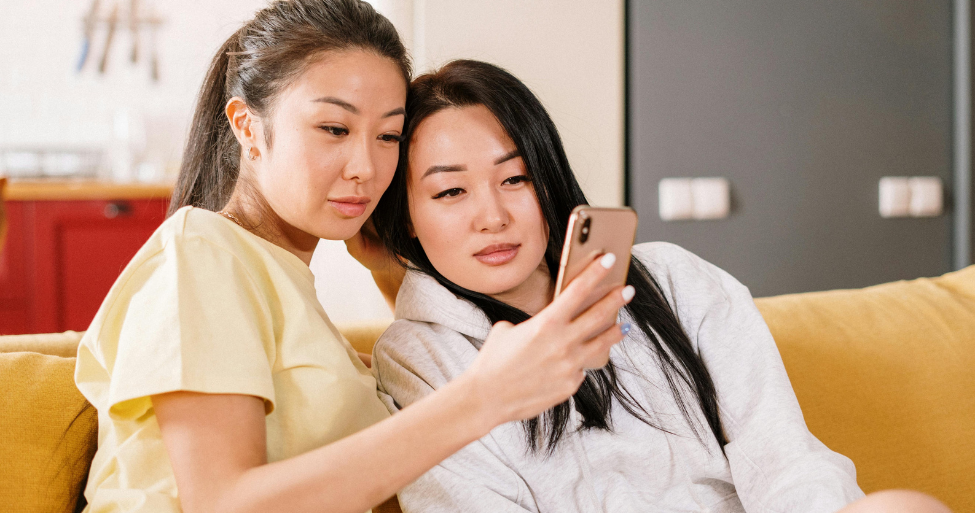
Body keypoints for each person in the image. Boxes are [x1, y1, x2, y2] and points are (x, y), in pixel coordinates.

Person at [72, 3, 633, 512]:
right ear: (248, 126)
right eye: (334, 129)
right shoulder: (203, 253)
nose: (366, 166)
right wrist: (480, 399)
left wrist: (391, 271)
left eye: (388, 136)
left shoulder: (286, 285)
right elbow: (224, 502)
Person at [370, 60, 952, 513]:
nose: (492, 216)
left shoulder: (674, 279)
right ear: (407, 215)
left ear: (548, 178)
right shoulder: (418, 355)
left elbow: (781, 456)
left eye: (516, 177)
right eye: (451, 192)